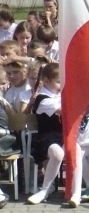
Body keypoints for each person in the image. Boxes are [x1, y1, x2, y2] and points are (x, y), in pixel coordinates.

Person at [27, 63, 64, 205]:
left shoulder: (60, 94)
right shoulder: (42, 99)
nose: (61, 85)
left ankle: (76, 191)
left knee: (79, 150)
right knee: (57, 153)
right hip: (46, 137)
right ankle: (45, 189)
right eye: (58, 82)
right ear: (46, 81)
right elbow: (65, 111)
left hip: (63, 135)